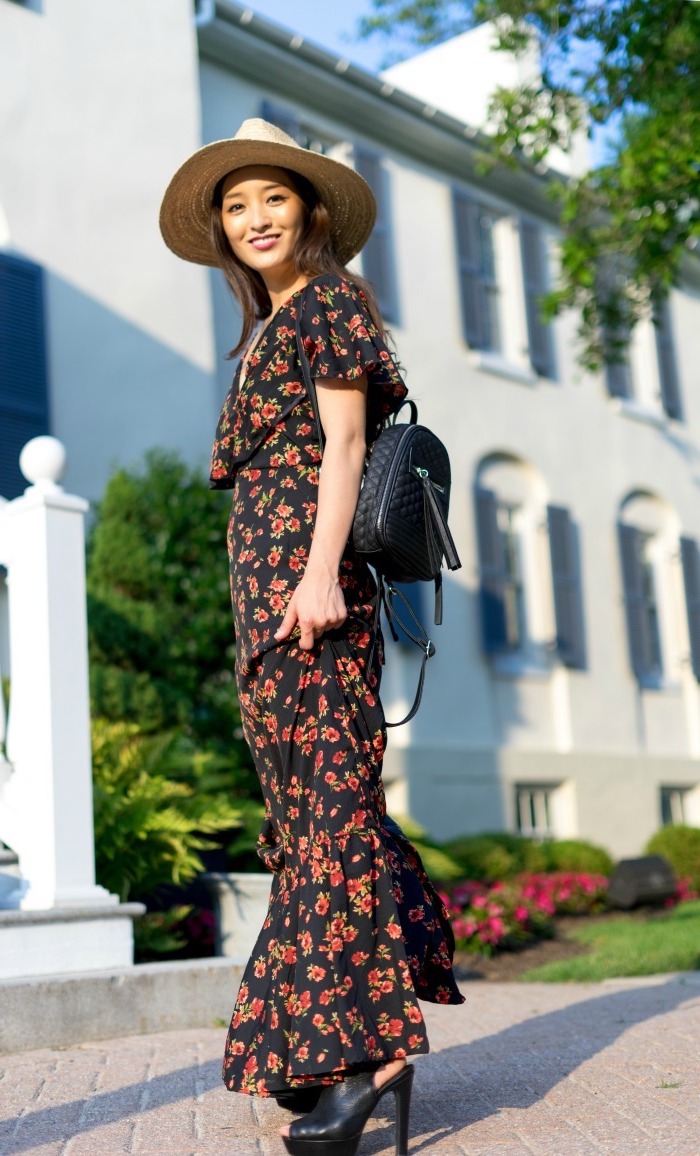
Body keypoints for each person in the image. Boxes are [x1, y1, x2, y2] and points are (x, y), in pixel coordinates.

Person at [159, 118, 464, 1156]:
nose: (252, 219)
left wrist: (322, 573)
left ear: (312, 212)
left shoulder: (330, 303)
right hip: (270, 609)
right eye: (234, 207)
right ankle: (319, 1035)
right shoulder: (268, 330)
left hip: (313, 600)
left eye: (271, 200)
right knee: (307, 817)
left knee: (329, 809)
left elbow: (343, 447)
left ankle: (366, 1052)